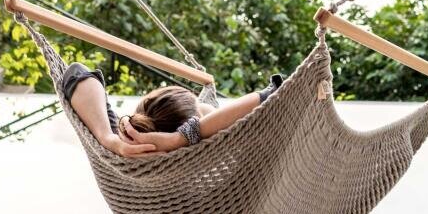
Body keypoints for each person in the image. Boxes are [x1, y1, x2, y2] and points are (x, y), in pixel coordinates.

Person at [61, 62, 282, 158]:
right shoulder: (213, 149)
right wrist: (182, 139)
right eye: (204, 114)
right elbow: (272, 94)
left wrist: (109, 139)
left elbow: (75, 73)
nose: (209, 109)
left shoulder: (126, 149)